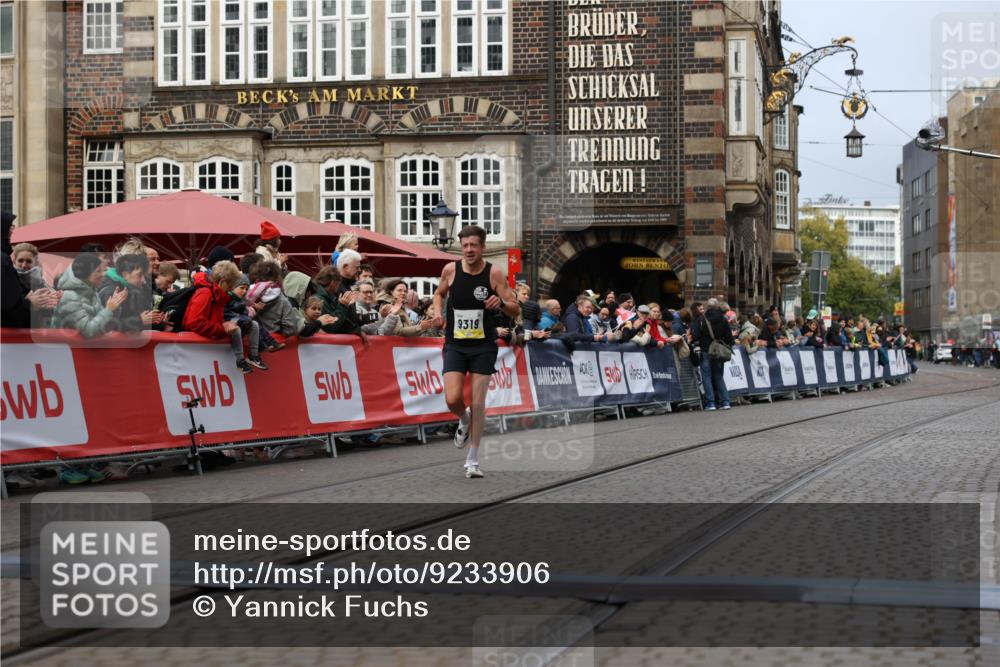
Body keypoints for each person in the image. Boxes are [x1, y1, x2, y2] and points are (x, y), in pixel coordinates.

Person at [432, 225, 519, 479]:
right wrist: (437, 312)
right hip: (456, 344)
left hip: (483, 346)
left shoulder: (495, 274)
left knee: (478, 402)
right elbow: (439, 294)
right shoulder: (451, 270)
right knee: (452, 398)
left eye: (474, 245)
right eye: (466, 245)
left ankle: (472, 459)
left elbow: (515, 307)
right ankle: (463, 418)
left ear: (483, 247)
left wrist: (501, 303)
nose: (469, 249)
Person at [182, 260, 254, 372]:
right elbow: (193, 322)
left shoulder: (216, 295)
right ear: (222, 282)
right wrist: (222, 329)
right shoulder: (206, 293)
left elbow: (210, 319)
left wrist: (224, 324)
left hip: (204, 353)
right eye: (230, 285)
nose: (231, 289)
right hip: (197, 354)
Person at [2, 213, 61, 327]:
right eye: (20, 261)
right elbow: (10, 309)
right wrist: (31, 303)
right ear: (14, 261)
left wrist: (52, 300)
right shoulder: (5, 265)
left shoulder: (41, 284)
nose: (24, 265)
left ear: (36, 262)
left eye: (28, 261)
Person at [52, 252, 128, 337]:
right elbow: (89, 331)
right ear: (86, 275)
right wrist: (108, 310)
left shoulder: (93, 293)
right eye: (98, 271)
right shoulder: (69, 297)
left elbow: (105, 327)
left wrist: (115, 308)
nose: (103, 274)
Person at [690, 297, 735, 411]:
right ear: (717, 306)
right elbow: (729, 337)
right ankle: (725, 401)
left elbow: (695, 336)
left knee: (706, 376)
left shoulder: (701, 319)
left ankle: (711, 403)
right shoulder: (723, 319)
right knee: (719, 376)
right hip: (718, 351)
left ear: (708, 307)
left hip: (705, 350)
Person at [97, 253, 159, 333]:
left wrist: (156, 320)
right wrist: (140, 320)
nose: (143, 280)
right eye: (140, 275)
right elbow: (109, 325)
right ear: (125, 275)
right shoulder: (111, 292)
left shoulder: (131, 290)